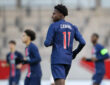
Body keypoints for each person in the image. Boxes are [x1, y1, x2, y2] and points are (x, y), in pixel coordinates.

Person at [44, 4, 86, 85]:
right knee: (60, 82)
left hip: (57, 58)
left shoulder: (53, 26)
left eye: (54, 13)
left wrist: (53, 41)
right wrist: (75, 53)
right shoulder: (73, 27)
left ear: (61, 14)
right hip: (68, 59)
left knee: (59, 83)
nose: (52, 16)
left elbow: (47, 43)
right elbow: (83, 42)